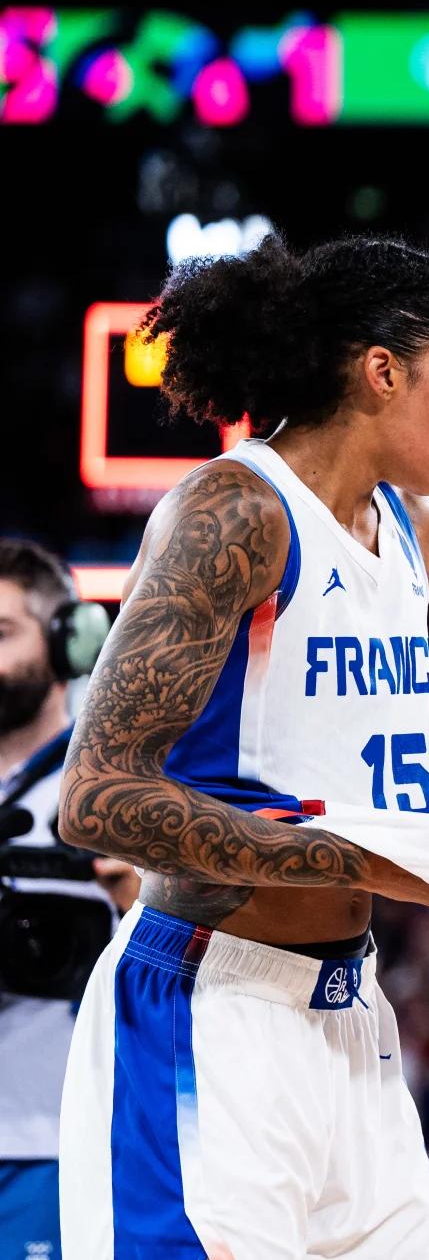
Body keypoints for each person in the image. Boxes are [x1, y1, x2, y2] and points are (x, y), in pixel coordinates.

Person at [56, 232, 429, 1259]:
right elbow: (97, 798)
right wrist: (367, 862)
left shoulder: (414, 527)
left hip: (352, 1009)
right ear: (382, 372)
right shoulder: (236, 509)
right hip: (212, 1004)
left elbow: (323, 755)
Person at [0, 538, 133, 1257]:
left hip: (57, 1142)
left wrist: (143, 893)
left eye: (2, 631)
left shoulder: (119, 789)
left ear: (70, 641)